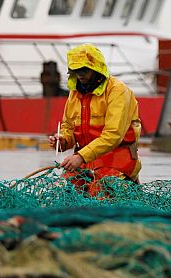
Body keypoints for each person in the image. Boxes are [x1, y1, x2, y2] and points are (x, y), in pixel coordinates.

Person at [48, 43, 142, 195]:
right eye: (76, 71)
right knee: (63, 192)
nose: (80, 75)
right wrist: (63, 140)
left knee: (99, 193)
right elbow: (68, 127)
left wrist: (80, 156)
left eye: (84, 70)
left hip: (116, 163)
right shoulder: (75, 93)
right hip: (85, 164)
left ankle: (128, 185)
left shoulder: (117, 90)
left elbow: (113, 135)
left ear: (96, 68)